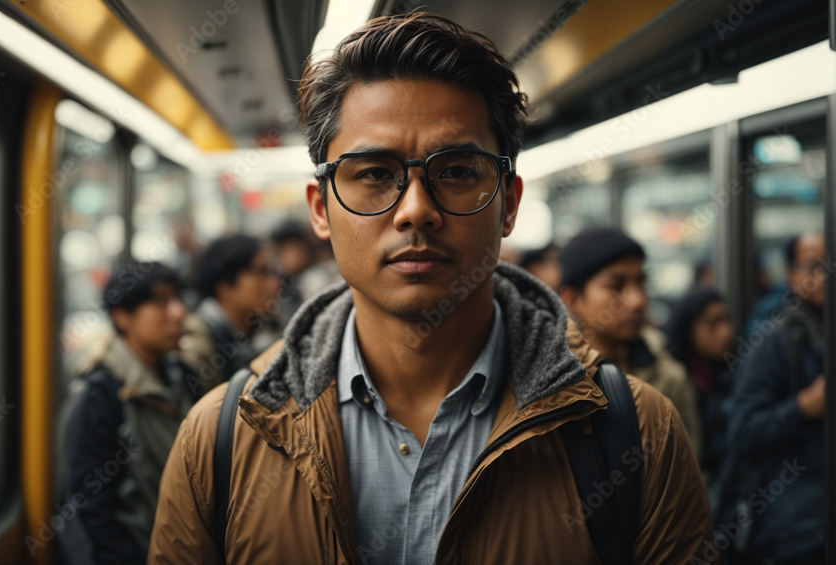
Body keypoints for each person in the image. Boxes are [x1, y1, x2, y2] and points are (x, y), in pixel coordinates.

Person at [148, 13, 713, 564]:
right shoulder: (219, 440)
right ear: (322, 210)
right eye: (373, 174)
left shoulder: (635, 431)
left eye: (458, 171)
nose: (416, 211)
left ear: (508, 204)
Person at [62, 260, 199, 565]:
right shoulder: (100, 395)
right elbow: (91, 508)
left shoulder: (184, 376)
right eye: (161, 302)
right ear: (122, 317)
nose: (178, 312)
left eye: (178, 300)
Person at [558, 226, 704, 459]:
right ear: (572, 298)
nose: (637, 301)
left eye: (640, 283)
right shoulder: (554, 383)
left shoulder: (668, 376)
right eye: (616, 287)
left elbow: (687, 466)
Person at [725, 232, 825, 564]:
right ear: (793, 278)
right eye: (813, 267)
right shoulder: (775, 340)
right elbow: (741, 430)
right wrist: (802, 408)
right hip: (796, 530)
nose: (824, 276)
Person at [179, 234, 281, 390]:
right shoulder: (196, 346)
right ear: (224, 283)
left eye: (272, 272)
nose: (275, 283)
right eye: (261, 272)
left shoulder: (263, 333)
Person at [664, 286, 735, 478]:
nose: (725, 333)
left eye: (727, 321)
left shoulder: (730, 372)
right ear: (687, 328)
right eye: (712, 324)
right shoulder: (674, 379)